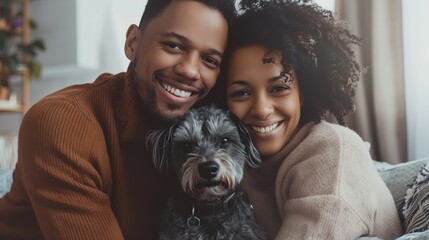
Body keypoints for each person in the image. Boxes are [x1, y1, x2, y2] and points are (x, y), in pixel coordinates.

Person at [0, 0, 235, 239]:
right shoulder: (62, 123)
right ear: (133, 42)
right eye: (173, 46)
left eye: (210, 60)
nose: (190, 71)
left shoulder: (218, 133)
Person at [220, 0, 404, 239]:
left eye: (278, 89)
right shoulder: (233, 161)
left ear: (303, 93)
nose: (262, 109)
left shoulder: (331, 152)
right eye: (241, 93)